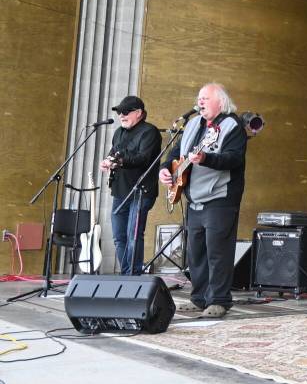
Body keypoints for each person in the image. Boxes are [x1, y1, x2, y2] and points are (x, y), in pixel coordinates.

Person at [159, 83, 247, 318]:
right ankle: (199, 298)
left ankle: (219, 300)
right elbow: (176, 153)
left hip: (220, 198)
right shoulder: (192, 124)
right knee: (195, 252)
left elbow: (233, 159)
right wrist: (166, 169)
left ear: (220, 101)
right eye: (199, 98)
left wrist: (205, 158)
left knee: (218, 252)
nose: (200, 102)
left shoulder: (232, 125)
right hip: (193, 197)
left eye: (205, 98)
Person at [100, 95, 162, 276]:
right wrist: (107, 162)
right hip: (120, 190)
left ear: (139, 113)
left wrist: (118, 162)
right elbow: (113, 153)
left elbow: (143, 159)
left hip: (141, 191)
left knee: (133, 235)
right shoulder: (119, 132)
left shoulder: (150, 132)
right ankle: (126, 273)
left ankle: (133, 275)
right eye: (119, 112)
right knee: (119, 237)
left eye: (125, 112)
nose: (121, 115)